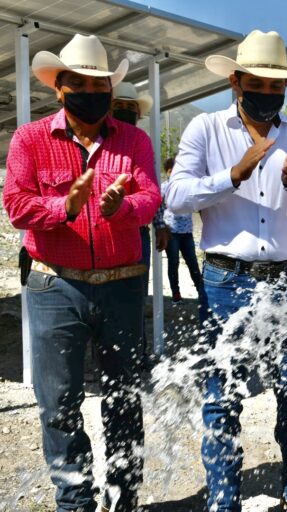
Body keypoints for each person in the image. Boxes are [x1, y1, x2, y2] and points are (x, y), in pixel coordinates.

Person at [165, 29, 287, 512]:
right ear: (236, 82)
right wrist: (233, 174)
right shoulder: (205, 129)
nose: (267, 94)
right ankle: (224, 500)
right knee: (222, 397)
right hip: (225, 281)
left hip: (285, 279)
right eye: (257, 84)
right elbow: (176, 197)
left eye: (276, 86)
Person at [4, 34, 161, 512]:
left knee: (124, 399)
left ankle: (124, 498)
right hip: (55, 284)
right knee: (59, 406)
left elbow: (151, 198)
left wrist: (122, 206)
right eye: (79, 83)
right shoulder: (29, 139)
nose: (90, 92)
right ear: (59, 88)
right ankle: (75, 503)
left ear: (111, 93)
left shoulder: (134, 140)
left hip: (122, 284)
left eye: (99, 85)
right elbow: (15, 205)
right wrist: (65, 206)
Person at [111, 81, 170, 366]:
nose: (124, 111)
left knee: (136, 292)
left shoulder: (141, 142)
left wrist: (160, 224)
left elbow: (152, 188)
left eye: (129, 107)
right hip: (107, 230)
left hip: (136, 229)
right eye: (118, 106)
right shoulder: (101, 141)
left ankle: (137, 354)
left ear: (138, 113)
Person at [161, 156, 204, 304]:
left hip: (187, 232)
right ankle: (176, 293)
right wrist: (161, 227)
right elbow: (157, 208)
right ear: (169, 171)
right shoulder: (164, 187)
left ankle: (201, 291)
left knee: (192, 262)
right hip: (171, 232)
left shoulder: (187, 186)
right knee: (173, 263)